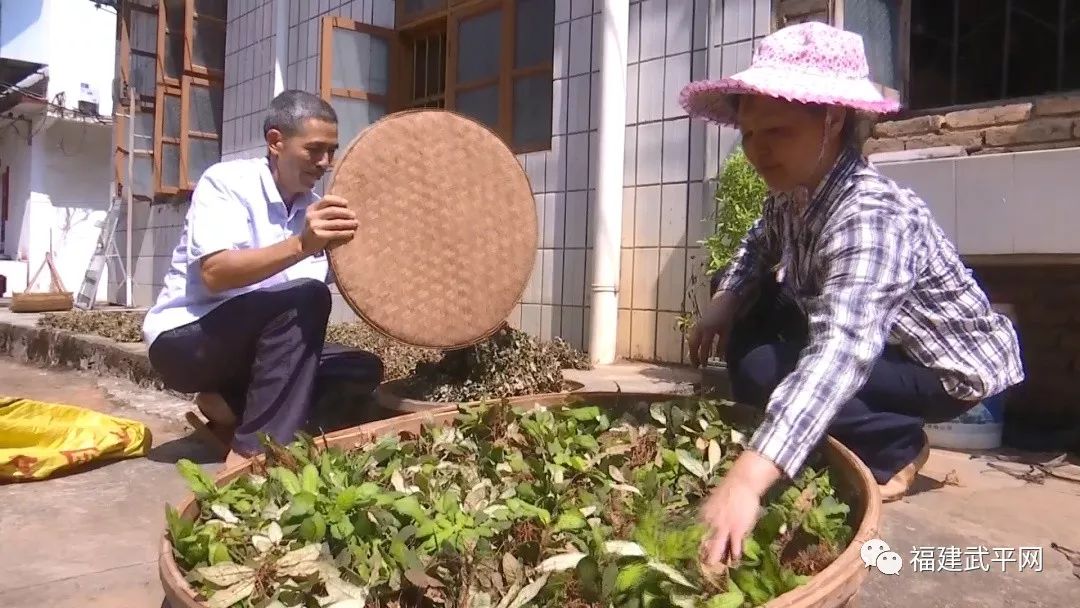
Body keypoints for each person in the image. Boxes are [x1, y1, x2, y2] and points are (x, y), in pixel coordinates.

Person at [678, 22, 1024, 565]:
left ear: (832, 121)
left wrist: (747, 479)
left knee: (770, 372)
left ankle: (896, 445)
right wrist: (725, 301)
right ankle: (840, 432)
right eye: (748, 135)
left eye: (777, 132)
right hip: (877, 342)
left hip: (936, 367)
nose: (757, 152)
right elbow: (758, 242)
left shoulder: (869, 216)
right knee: (750, 329)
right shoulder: (792, 192)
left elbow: (840, 352)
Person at [141, 90, 384, 469]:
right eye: (314, 150)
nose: (325, 162)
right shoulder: (227, 183)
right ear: (276, 142)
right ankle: (254, 453)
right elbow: (216, 274)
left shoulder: (313, 207)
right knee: (308, 297)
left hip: (251, 351)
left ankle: (229, 406)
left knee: (361, 367)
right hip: (187, 342)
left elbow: (307, 297)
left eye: (331, 151)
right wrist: (302, 244)